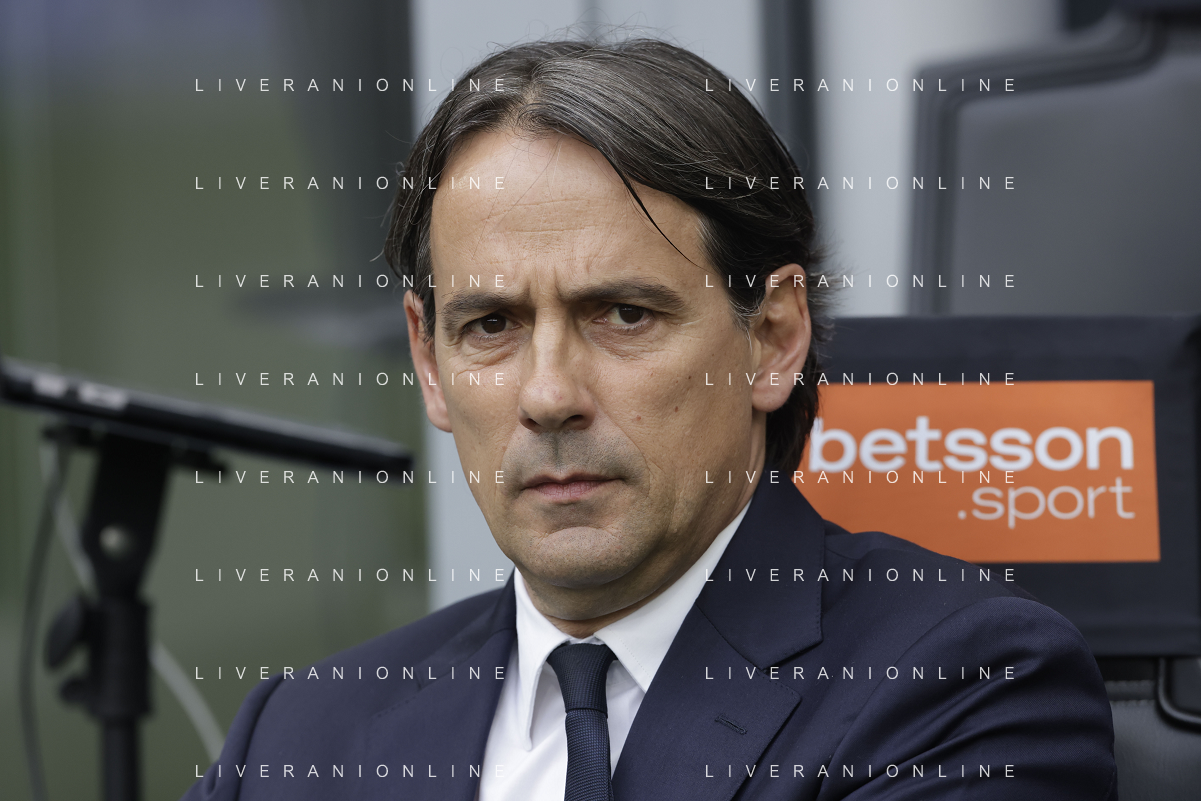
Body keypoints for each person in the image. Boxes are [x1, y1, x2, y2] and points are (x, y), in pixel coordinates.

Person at [183, 38, 1116, 800]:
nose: (549, 396)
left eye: (623, 314)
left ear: (773, 339)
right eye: (491, 325)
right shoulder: (298, 739)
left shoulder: (959, 685)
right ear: (429, 363)